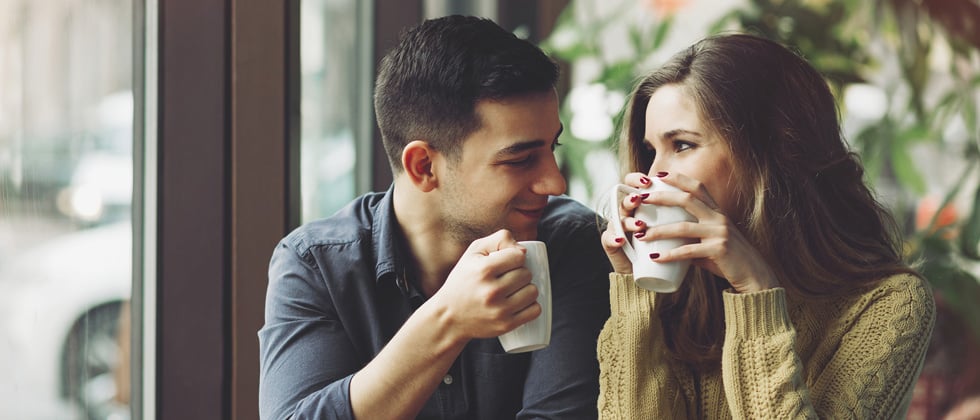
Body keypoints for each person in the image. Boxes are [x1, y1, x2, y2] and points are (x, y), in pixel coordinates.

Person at [258, 15, 611, 419]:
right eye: (520, 159)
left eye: (553, 148)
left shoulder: (572, 244)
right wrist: (449, 320)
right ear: (423, 166)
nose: (555, 182)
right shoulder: (317, 265)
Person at [597, 33, 936, 418]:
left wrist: (756, 294)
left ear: (767, 153)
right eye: (650, 151)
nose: (654, 173)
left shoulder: (890, 303)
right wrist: (636, 293)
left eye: (683, 145)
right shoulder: (680, 292)